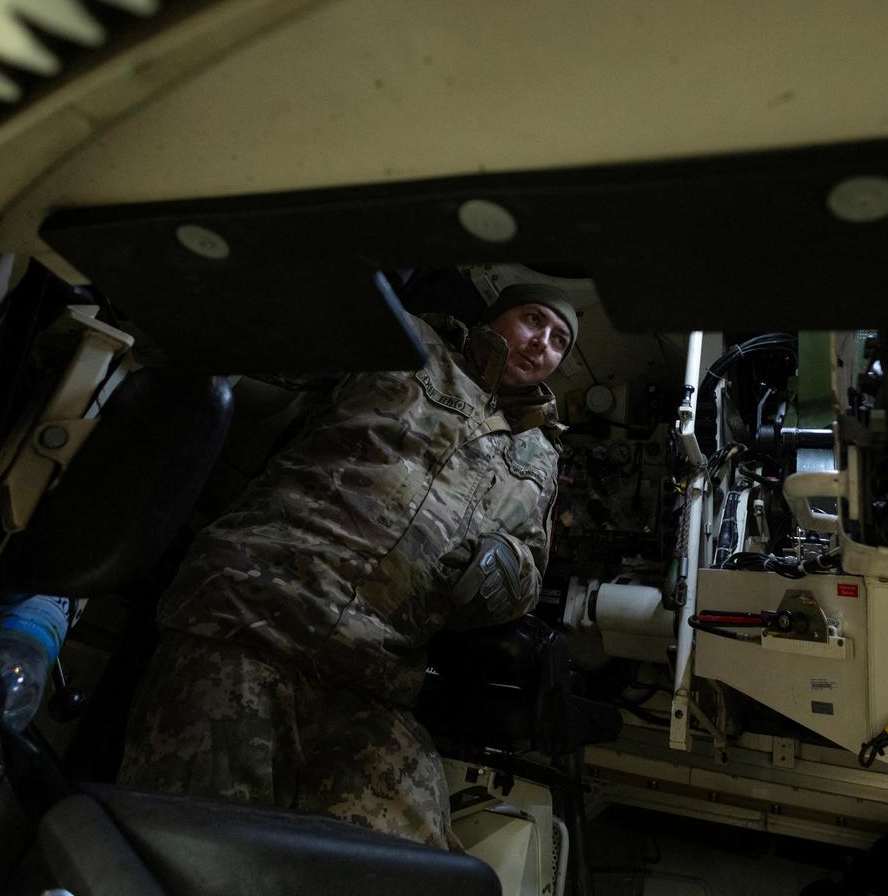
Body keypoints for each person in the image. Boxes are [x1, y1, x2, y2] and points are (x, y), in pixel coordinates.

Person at [118, 283, 578, 848]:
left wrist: (507, 571)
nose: (542, 344)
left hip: (374, 675)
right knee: (192, 851)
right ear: (494, 316)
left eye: (559, 341)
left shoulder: (540, 454)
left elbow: (530, 564)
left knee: (407, 869)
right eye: (533, 319)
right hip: (254, 612)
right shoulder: (409, 342)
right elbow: (258, 341)